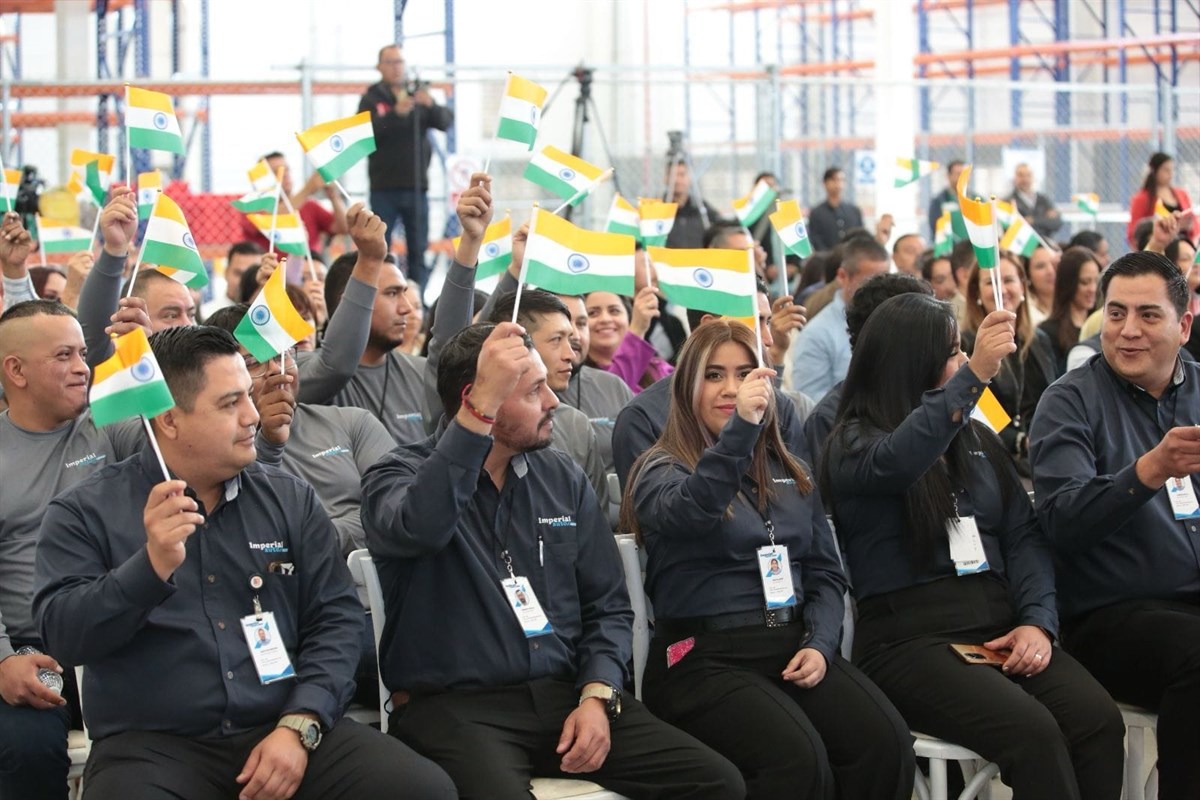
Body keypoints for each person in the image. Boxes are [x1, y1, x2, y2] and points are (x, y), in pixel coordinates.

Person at [33, 325, 455, 800]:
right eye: (230, 403)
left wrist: (301, 726)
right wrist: (149, 566)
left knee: (421, 788)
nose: (253, 416)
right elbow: (65, 638)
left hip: (284, 725)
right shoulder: (85, 510)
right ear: (169, 419)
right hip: (154, 747)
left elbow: (334, 622)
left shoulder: (289, 499)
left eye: (247, 398)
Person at [359, 321, 745, 800]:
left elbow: (608, 605)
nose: (553, 402)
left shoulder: (559, 476)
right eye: (534, 390)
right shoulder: (398, 476)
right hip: (457, 708)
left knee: (717, 782)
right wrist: (476, 418)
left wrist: (598, 693)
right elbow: (421, 526)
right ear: (477, 399)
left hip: (568, 694)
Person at [823, 293, 1125, 800]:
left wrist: (1037, 621)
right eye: (952, 353)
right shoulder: (853, 441)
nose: (963, 362)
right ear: (909, 361)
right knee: (1034, 732)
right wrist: (976, 376)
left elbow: (1025, 535)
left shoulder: (974, 436)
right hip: (910, 640)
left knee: (1097, 720)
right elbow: (902, 459)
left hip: (998, 625)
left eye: (964, 352)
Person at [624, 320, 914, 799]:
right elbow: (695, 511)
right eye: (714, 375)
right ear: (686, 386)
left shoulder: (790, 469)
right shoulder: (660, 466)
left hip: (790, 644)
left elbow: (824, 572)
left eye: (744, 374)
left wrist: (821, 642)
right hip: (702, 658)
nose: (732, 389)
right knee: (797, 759)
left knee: (884, 742)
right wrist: (740, 432)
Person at [1029, 251, 1200, 799]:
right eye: (1116, 313)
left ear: (1184, 324)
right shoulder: (1069, 402)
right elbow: (1062, 523)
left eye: (1149, 315)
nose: (1128, 331)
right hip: (1110, 616)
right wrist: (1150, 469)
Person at [0, 300, 146, 800]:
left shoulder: (110, 423)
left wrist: (152, 356)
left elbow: (177, 435)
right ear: (15, 370)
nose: (83, 367)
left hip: (125, 638)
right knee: (26, 748)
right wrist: (1, 662)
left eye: (83, 353)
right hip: (32, 654)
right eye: (63, 355)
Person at [613, 280, 809, 487]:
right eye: (756, 321)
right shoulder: (643, 418)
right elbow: (662, 513)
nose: (769, 339)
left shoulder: (779, 406)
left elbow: (804, 499)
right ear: (708, 326)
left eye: (767, 322)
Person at [803, 272, 933, 469]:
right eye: (930, 334)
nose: (962, 359)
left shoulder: (950, 390)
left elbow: (995, 437)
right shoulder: (831, 418)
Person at [359, 44, 454, 289]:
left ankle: (416, 301)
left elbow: (445, 121)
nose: (396, 67)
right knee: (382, 246)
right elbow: (364, 133)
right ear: (379, 67)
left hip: (416, 186)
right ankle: (382, 294)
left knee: (417, 250)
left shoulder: (417, 95)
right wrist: (394, 115)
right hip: (383, 186)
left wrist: (430, 104)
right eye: (390, 62)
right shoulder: (372, 98)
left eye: (399, 62)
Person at [960, 253, 1057, 476]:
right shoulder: (966, 343)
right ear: (976, 292)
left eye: (1009, 280)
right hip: (995, 463)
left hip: (1047, 455)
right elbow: (977, 407)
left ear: (1023, 286)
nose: (1001, 290)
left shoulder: (1039, 339)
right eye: (990, 282)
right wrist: (1022, 441)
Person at [790, 235, 889, 402]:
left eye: (885, 282)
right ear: (843, 276)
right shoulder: (817, 334)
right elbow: (809, 403)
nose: (878, 291)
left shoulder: (891, 322)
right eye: (868, 283)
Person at [238, 153, 348, 272]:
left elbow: (344, 227)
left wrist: (333, 196)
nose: (285, 175)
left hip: (308, 276)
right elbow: (273, 218)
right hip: (271, 279)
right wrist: (307, 189)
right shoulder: (252, 208)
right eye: (277, 172)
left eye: (287, 170)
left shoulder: (309, 205)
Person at [585, 288, 673, 394]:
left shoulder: (659, 369)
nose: (605, 319)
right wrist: (637, 330)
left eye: (614, 311)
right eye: (593, 313)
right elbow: (610, 397)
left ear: (629, 318)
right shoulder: (576, 378)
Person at [1038, 246, 1100, 376]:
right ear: (1068, 283)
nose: (1092, 289)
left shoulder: (1101, 324)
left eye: (1096, 281)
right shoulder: (1047, 333)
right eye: (1085, 282)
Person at [1127, 152, 1194, 248]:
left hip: (1182, 245)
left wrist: (1188, 226)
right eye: (1166, 170)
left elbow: (1193, 224)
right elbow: (1134, 232)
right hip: (1158, 248)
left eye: (1172, 170)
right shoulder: (1142, 199)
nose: (1170, 174)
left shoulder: (1182, 194)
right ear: (1155, 171)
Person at [663, 161, 724, 250]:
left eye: (682, 175)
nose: (678, 180)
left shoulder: (702, 209)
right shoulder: (658, 209)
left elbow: (721, 226)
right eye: (673, 175)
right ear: (665, 178)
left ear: (689, 178)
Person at [807, 167, 864, 252]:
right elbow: (815, 238)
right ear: (825, 183)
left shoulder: (854, 211)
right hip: (825, 260)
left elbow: (860, 236)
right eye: (834, 180)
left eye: (841, 180)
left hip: (850, 259)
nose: (838, 184)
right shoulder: (816, 213)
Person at [1007, 163, 1063, 241]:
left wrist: (1033, 220)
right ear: (1015, 178)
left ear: (1033, 177)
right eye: (1021, 175)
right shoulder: (1008, 201)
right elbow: (1012, 227)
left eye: (1028, 175)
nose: (1025, 179)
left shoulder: (1043, 199)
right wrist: (1044, 219)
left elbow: (1057, 223)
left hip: (1046, 242)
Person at [207, 241, 265, 316]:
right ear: (226, 272)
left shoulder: (275, 318)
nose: (245, 280)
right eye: (239, 273)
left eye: (253, 275)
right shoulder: (206, 315)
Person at [927, 159, 964, 240]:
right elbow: (935, 227)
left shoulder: (976, 199)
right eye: (958, 174)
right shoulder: (939, 201)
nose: (962, 177)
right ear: (948, 175)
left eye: (964, 174)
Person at [1025, 245, 1058, 327]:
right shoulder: (1025, 314)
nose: (1050, 271)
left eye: (1054, 264)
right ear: (1028, 275)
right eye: (1040, 266)